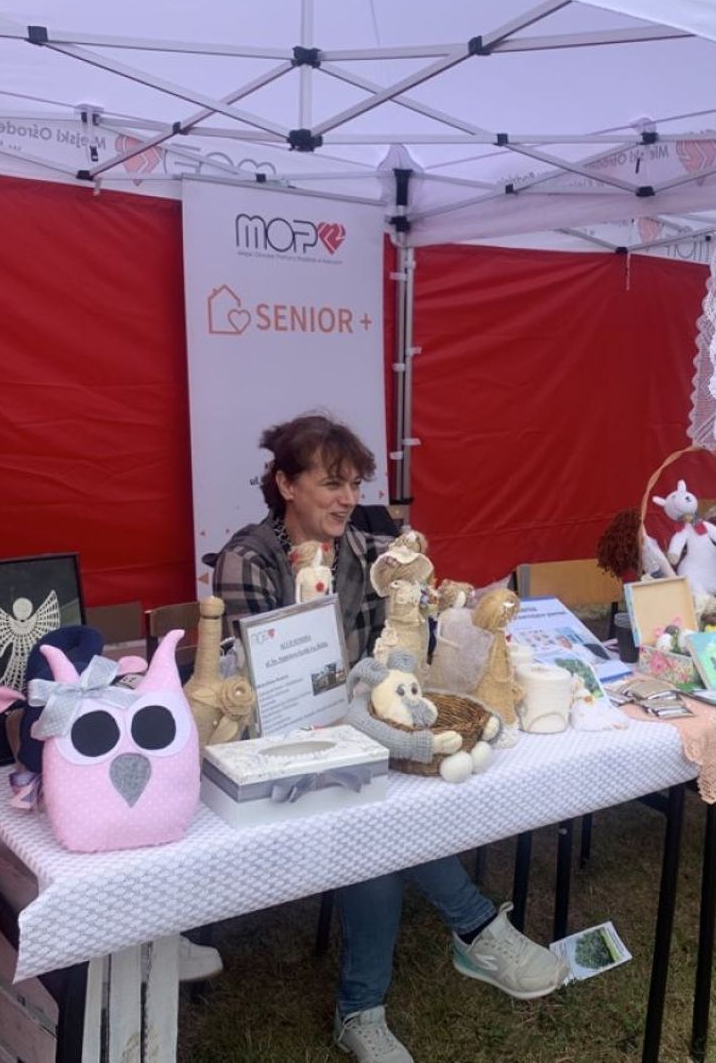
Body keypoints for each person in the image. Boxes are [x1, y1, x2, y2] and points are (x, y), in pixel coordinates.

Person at [213, 414, 566, 1063]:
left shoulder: (373, 549)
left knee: (378, 817)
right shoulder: (249, 559)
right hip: (281, 748)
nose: (349, 498)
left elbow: (401, 645)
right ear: (286, 485)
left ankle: (365, 1010)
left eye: (355, 484)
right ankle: (472, 930)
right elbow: (265, 684)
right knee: (372, 820)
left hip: (365, 730)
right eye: (332, 484)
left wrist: (438, 617)